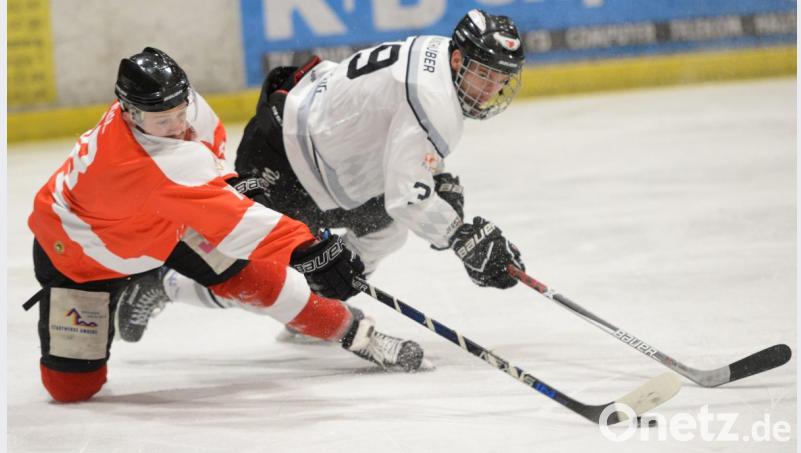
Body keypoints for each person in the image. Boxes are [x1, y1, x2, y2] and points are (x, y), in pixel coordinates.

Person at [25, 47, 425, 403]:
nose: (179, 124)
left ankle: (355, 333)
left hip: (164, 223)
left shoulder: (172, 112)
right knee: (72, 389)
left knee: (261, 281)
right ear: (129, 113)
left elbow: (207, 154)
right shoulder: (139, 166)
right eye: (164, 120)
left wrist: (226, 182)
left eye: (181, 111)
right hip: (82, 260)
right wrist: (307, 249)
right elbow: (237, 221)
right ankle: (138, 284)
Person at [117, 9, 527, 343]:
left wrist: (436, 178)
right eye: (484, 74)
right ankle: (166, 283)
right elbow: (407, 197)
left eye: (500, 77)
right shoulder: (436, 101)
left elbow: (398, 144)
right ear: (458, 60)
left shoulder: (436, 53)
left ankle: (315, 301)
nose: (491, 88)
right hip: (283, 162)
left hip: (316, 150)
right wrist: (458, 236)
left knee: (385, 229)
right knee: (264, 278)